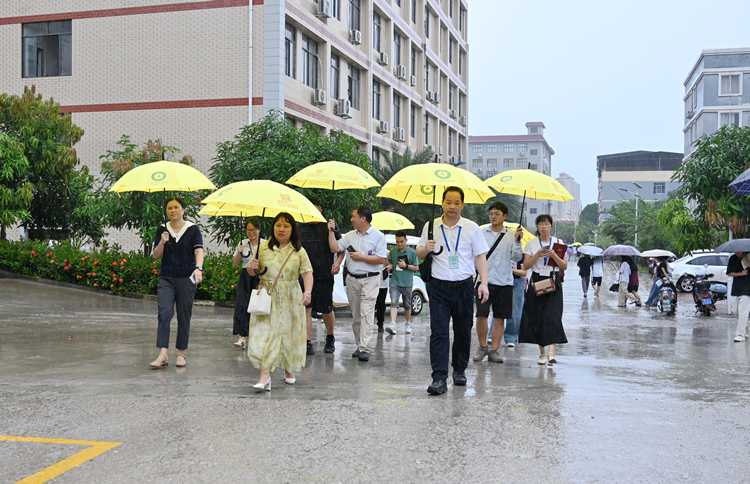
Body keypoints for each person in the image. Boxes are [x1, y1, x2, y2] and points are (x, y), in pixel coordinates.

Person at [417, 187, 490, 395]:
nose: (452, 206)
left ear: (462, 205)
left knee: (463, 331)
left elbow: (480, 257)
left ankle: (459, 370)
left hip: (465, 287)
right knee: (439, 333)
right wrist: (426, 248)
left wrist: (483, 283)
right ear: (442, 203)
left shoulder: (471, 228)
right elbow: (419, 253)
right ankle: (439, 378)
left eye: (456, 203)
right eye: (448, 202)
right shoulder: (431, 226)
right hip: (438, 287)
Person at [247, 212, 312, 390]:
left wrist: (307, 292)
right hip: (266, 297)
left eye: (286, 226)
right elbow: (253, 273)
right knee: (264, 335)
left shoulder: (298, 250)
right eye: (278, 225)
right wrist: (251, 267)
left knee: (287, 335)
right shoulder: (263, 248)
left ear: (292, 230)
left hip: (290, 298)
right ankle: (264, 376)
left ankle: (288, 368)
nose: (281, 229)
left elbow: (307, 273)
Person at [149, 197, 204, 368]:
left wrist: (198, 268)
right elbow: (156, 255)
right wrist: (162, 242)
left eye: (176, 207)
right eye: (169, 208)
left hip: (187, 277)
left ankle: (181, 353)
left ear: (183, 209)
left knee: (183, 315)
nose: (173, 210)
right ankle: (163, 354)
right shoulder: (162, 229)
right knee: (164, 313)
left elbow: (199, 250)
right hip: (166, 277)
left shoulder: (193, 229)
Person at [328, 206, 387, 362]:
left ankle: (364, 348)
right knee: (356, 315)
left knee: (367, 312)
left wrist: (362, 257)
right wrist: (330, 231)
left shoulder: (378, 237)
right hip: (352, 279)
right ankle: (359, 344)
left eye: (354, 216)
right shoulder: (349, 236)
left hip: (370, 279)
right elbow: (335, 248)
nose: (351, 219)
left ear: (363, 219)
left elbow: (381, 259)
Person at [473, 202, 523, 364]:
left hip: (504, 282)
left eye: (497, 214)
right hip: (483, 282)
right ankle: (482, 347)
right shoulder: (481, 233)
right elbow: (475, 254)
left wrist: (517, 242)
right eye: (491, 214)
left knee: (500, 318)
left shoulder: (511, 235)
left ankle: (494, 351)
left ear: (505, 216)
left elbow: (516, 258)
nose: (493, 217)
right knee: (481, 316)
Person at [518, 214, 567, 366]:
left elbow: (564, 266)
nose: (543, 227)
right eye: (540, 224)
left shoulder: (558, 243)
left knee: (553, 316)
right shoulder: (532, 243)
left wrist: (554, 255)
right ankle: (542, 353)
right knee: (539, 317)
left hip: (553, 281)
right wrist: (538, 254)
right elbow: (526, 266)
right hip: (537, 281)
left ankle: (552, 353)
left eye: (546, 223)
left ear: (551, 226)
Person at [298, 197, 343, 355]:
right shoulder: (299, 227)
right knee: (307, 309)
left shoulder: (329, 225)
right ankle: (307, 342)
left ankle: (330, 337)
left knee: (326, 309)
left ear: (320, 209)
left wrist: (337, 262)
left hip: (324, 274)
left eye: (315, 208)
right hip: (304, 275)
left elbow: (341, 248)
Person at [230, 218, 262, 349]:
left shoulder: (265, 244)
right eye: (248, 230)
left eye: (253, 229)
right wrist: (238, 251)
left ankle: (258, 336)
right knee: (242, 305)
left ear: (259, 230)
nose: (251, 232)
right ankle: (241, 337)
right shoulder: (243, 243)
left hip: (260, 276)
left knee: (259, 306)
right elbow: (235, 263)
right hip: (245, 276)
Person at [386, 230, 420, 334]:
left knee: (407, 305)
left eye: (401, 241)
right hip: (395, 281)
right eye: (397, 241)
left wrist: (406, 266)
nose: (399, 244)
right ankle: (392, 324)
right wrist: (390, 265)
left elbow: (416, 268)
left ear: (406, 240)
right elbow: (389, 261)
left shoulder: (412, 252)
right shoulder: (393, 251)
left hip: (407, 283)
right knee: (394, 302)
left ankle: (408, 323)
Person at [726, 251, 750, 342]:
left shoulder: (748, 256)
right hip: (736, 288)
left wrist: (746, 260)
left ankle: (740, 335)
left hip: (747, 288)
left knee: (743, 312)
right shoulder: (732, 258)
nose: (737, 252)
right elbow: (729, 273)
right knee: (735, 311)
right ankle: (747, 325)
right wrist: (741, 273)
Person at [504, 254, 527, 348]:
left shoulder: (521, 255)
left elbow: (524, 272)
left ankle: (511, 338)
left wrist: (510, 270)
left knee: (515, 311)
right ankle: (491, 336)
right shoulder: (502, 252)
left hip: (516, 281)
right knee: (498, 310)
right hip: (501, 281)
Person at [375, 265, 390, 333]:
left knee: (381, 303)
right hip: (371, 281)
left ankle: (380, 323)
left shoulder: (387, 254)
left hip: (383, 282)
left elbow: (391, 263)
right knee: (370, 303)